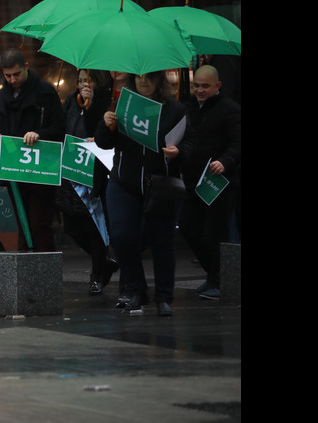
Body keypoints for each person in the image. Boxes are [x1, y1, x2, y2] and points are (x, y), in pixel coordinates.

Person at [95, 70, 189, 317]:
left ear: (159, 80)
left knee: (162, 241)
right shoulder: (123, 106)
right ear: (132, 81)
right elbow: (104, 143)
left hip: (161, 185)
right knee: (122, 236)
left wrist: (178, 151)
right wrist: (106, 125)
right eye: (138, 77)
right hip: (124, 181)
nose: (143, 81)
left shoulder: (175, 109)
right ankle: (136, 288)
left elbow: (192, 142)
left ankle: (164, 297)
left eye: (149, 77)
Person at [0, 48, 65, 251]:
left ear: (26, 67)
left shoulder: (45, 92)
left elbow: (60, 128)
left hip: (41, 167)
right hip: (13, 167)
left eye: (16, 74)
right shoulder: (1, 97)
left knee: (39, 224)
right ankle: (27, 273)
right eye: (8, 75)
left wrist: (39, 133)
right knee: (23, 222)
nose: (12, 79)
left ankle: (44, 271)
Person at [178, 65, 241, 300]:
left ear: (218, 86)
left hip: (220, 182)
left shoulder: (231, 110)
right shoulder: (187, 108)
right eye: (196, 86)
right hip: (194, 179)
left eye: (205, 86)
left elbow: (237, 143)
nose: (200, 90)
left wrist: (225, 162)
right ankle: (214, 275)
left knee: (216, 233)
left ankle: (218, 280)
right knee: (187, 225)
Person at [58, 69, 118, 295]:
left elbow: (104, 130)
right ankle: (105, 263)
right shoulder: (72, 101)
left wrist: (92, 106)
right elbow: (61, 125)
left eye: (88, 80)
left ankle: (97, 276)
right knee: (72, 226)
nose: (84, 84)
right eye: (81, 80)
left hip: (94, 167)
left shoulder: (104, 99)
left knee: (94, 225)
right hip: (72, 166)